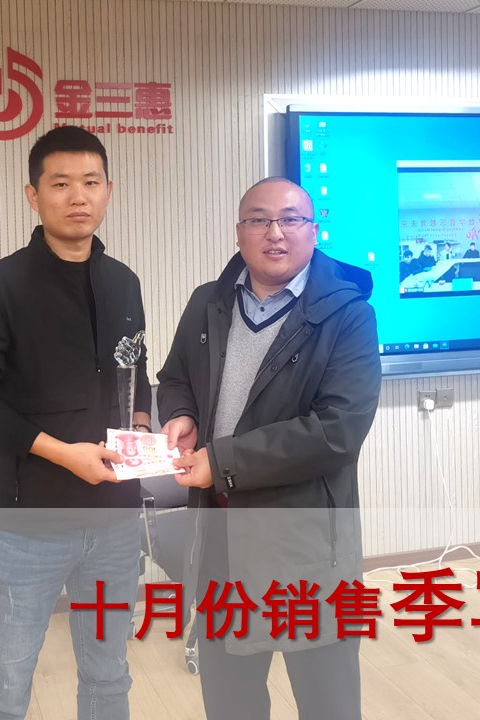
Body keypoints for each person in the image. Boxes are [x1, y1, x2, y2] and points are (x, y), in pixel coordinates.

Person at [0, 126, 151, 720]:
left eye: (90, 182)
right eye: (60, 184)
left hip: (115, 520)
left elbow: (133, 373)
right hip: (28, 523)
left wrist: (141, 427)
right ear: (33, 196)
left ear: (109, 190)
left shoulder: (124, 282)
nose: (78, 196)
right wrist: (62, 452)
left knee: (109, 673)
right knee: (8, 681)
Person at [157, 177, 381, 720]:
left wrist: (222, 461)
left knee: (327, 703)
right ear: (239, 232)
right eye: (259, 220)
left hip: (306, 544)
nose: (274, 233)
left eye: (290, 219)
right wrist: (182, 414)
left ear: (313, 230)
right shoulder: (208, 303)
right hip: (221, 537)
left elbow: (338, 429)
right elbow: (176, 377)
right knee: (230, 701)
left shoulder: (347, 314)